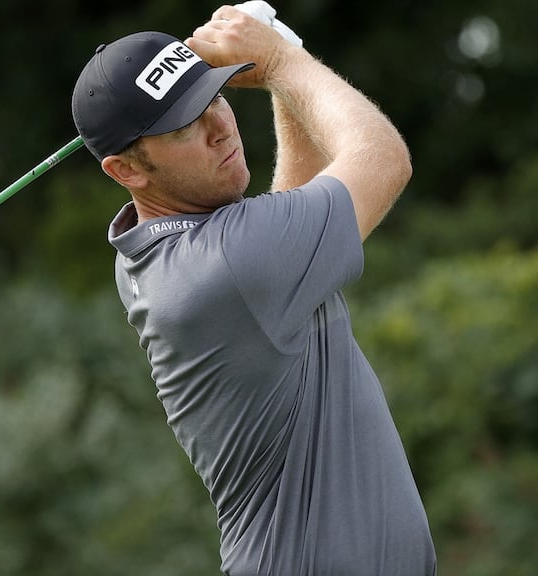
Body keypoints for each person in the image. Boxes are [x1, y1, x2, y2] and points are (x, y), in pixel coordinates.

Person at [71, 4, 437, 575]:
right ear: (127, 172)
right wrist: (282, 61)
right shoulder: (223, 266)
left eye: (215, 96)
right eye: (187, 126)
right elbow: (382, 159)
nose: (221, 128)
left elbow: (290, 212)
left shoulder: (170, 249)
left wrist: (280, 75)